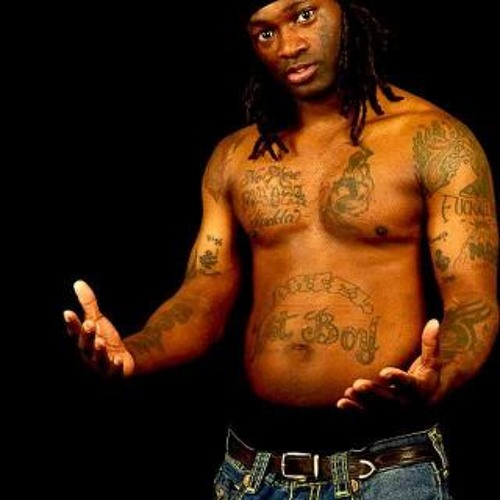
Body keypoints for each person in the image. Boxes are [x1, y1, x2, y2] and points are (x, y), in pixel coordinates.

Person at [64, 0, 498, 498]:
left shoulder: (435, 141)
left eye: (303, 16)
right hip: (253, 471)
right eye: (264, 33)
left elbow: (473, 300)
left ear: (347, 12)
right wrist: (133, 352)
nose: (288, 46)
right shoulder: (236, 157)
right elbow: (204, 295)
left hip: (388, 470)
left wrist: (440, 377)